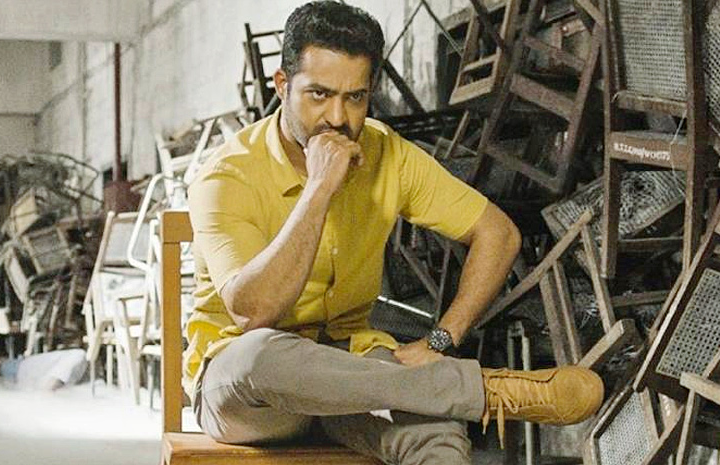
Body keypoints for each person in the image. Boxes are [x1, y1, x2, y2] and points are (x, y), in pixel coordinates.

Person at [184, 1, 604, 463]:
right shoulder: (227, 175)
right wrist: (320, 187)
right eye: (319, 94)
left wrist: (441, 340)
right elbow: (254, 312)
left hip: (353, 368)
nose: (338, 118)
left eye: (355, 97)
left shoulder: (387, 153)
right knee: (260, 356)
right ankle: (485, 391)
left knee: (436, 431)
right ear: (282, 85)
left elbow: (498, 235)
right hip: (247, 393)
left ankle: (447, 394)